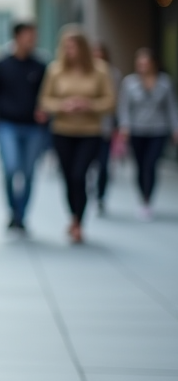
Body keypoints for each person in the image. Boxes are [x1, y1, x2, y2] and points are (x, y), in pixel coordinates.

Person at [38, 26, 115, 244]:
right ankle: (73, 217)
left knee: (80, 175)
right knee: (68, 177)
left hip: (90, 132)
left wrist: (89, 105)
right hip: (63, 131)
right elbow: (45, 100)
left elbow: (110, 101)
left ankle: (79, 221)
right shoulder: (55, 71)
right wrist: (64, 105)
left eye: (73, 46)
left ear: (82, 47)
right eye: (66, 46)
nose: (69, 50)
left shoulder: (100, 70)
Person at [0, 21, 49, 232]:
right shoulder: (1, 64)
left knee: (29, 172)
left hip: (33, 127)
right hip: (7, 125)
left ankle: (21, 215)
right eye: (28, 35)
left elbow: (46, 95)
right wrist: (2, 110)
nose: (32, 40)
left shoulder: (40, 66)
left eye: (34, 36)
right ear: (17, 37)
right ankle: (12, 210)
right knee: (10, 168)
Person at [117, 47, 178, 220]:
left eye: (146, 63)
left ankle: (147, 199)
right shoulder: (130, 83)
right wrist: (124, 126)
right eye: (140, 63)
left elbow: (171, 108)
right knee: (140, 165)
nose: (142, 66)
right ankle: (142, 195)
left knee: (150, 165)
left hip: (158, 129)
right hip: (137, 129)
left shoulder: (165, 82)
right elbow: (124, 107)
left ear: (153, 64)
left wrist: (175, 128)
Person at [91, 43, 121, 215]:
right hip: (83, 129)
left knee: (103, 165)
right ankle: (88, 190)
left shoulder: (112, 74)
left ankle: (100, 195)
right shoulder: (82, 72)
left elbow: (116, 102)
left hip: (104, 128)